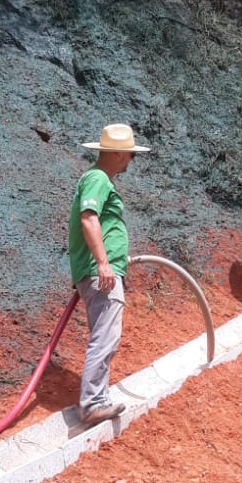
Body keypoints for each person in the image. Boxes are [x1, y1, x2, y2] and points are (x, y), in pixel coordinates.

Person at [68, 122, 149, 425]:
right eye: (130, 155)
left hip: (103, 269)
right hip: (101, 272)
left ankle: (96, 398)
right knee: (106, 336)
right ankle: (92, 403)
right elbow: (89, 218)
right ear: (117, 154)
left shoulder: (100, 179)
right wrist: (103, 262)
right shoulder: (98, 178)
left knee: (105, 335)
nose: (131, 161)